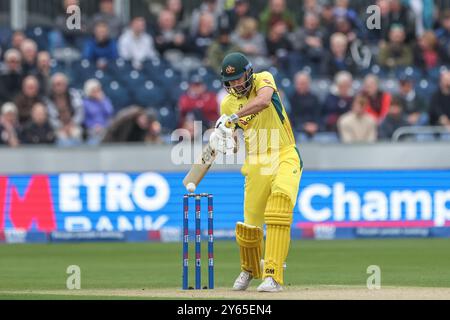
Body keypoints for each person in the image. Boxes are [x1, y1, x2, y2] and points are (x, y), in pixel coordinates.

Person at [211, 52, 303, 292]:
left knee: (279, 207)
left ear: (249, 74)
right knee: (250, 226)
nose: (235, 85)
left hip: (284, 153)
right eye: (230, 82)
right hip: (256, 162)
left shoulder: (264, 79)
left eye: (239, 79)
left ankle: (273, 275)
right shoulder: (227, 103)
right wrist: (225, 138)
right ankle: (250, 269)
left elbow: (263, 102)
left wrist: (231, 118)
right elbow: (234, 145)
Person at [44, 73, 84, 147]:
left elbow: (80, 112)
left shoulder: (73, 94)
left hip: (73, 125)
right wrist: (61, 126)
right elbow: (50, 117)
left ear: (66, 84)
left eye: (61, 84)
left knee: (77, 134)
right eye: (56, 84)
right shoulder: (49, 99)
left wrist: (72, 124)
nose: (58, 87)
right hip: (57, 127)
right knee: (62, 138)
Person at [289, 71, 321, 138]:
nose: (301, 86)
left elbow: (318, 114)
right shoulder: (291, 98)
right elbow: (291, 116)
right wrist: (303, 126)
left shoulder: (314, 98)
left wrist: (315, 125)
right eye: (299, 83)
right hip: (297, 127)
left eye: (303, 83)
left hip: (314, 127)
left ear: (308, 84)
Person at [82, 79, 114, 145]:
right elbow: (84, 119)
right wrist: (93, 125)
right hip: (92, 129)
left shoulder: (104, 100)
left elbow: (109, 112)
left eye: (98, 90)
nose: (96, 92)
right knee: (94, 140)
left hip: (105, 127)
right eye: (94, 90)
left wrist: (102, 101)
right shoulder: (85, 103)